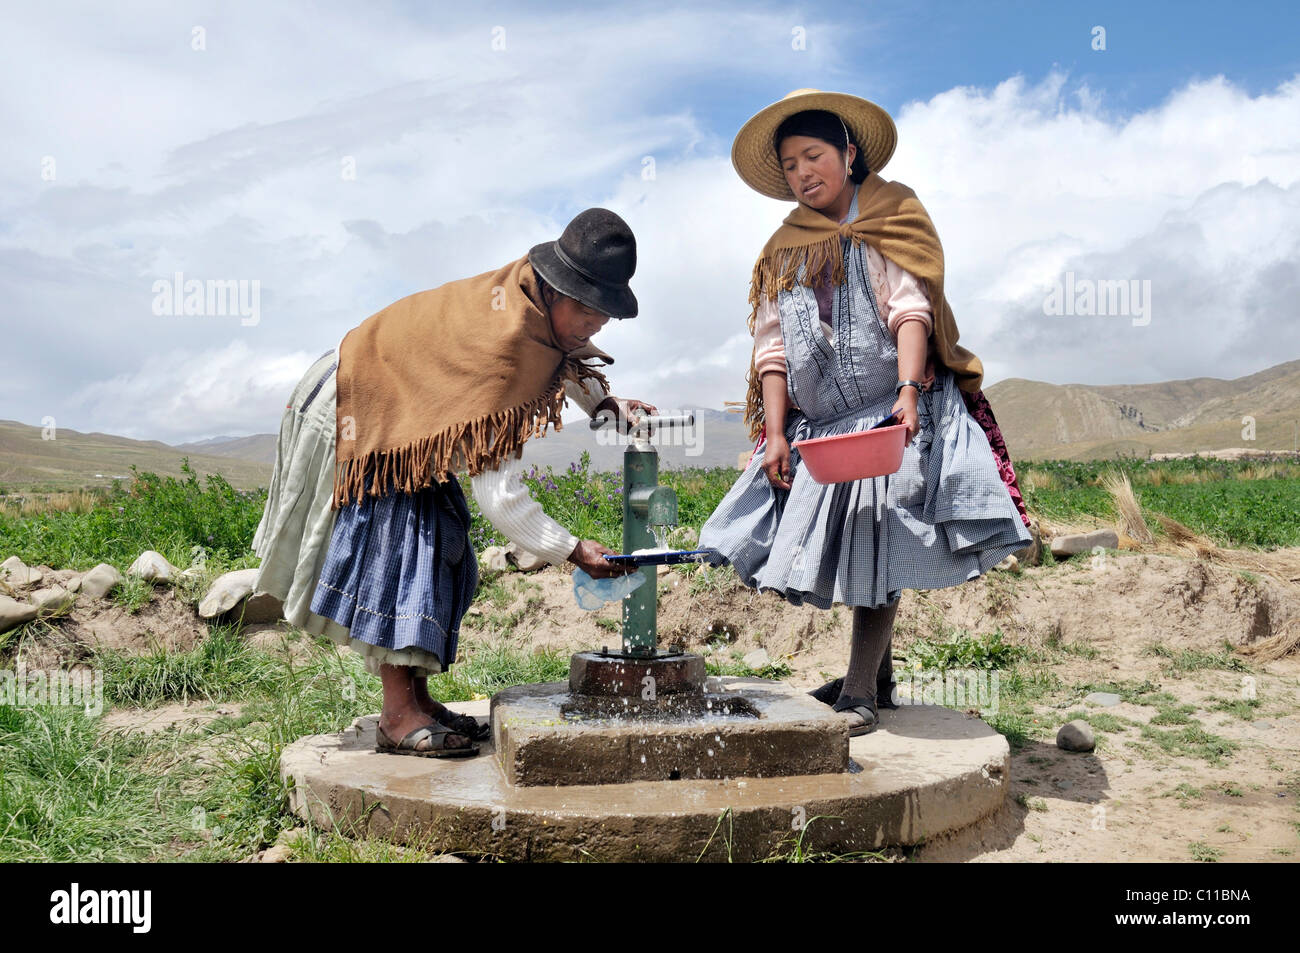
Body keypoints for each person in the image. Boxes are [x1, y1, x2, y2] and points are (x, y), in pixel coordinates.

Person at [251, 208, 655, 756]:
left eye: (604, 314)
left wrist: (604, 404)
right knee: (403, 549)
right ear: (557, 291)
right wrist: (572, 550)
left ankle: (415, 700)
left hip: (393, 408)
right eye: (589, 311)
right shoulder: (503, 347)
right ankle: (398, 717)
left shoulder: (531, 305)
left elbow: (561, 357)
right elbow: (500, 496)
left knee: (442, 539)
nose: (597, 326)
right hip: (358, 407)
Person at [699, 89, 1033, 736]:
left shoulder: (892, 213)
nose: (803, 173)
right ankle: (875, 676)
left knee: (878, 537)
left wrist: (909, 392)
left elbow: (912, 309)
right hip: (822, 426)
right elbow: (771, 350)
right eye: (791, 164)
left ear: (849, 154)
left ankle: (858, 693)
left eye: (814, 155)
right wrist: (774, 434)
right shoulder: (783, 249)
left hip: (891, 409)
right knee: (839, 543)